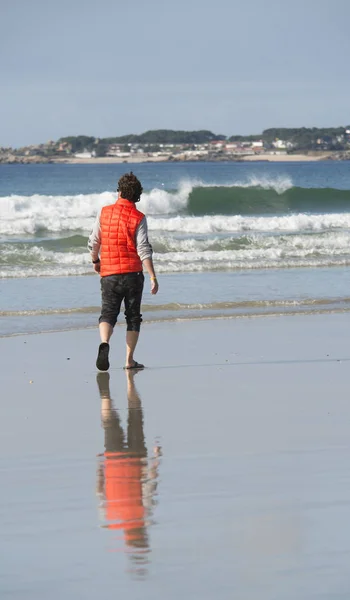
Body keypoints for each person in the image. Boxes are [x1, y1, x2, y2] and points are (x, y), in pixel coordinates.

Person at [88, 172, 158, 371]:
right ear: (137, 196)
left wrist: (95, 260)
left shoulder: (104, 212)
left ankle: (105, 342)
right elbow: (143, 248)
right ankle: (129, 360)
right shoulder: (139, 217)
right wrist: (153, 276)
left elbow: (94, 240)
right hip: (133, 275)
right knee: (133, 317)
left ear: (119, 191)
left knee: (108, 314)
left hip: (109, 273)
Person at [96, 371, 161, 570]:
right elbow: (100, 492)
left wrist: (156, 458)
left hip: (133, 458)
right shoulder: (108, 519)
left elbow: (149, 484)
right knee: (109, 424)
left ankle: (116, 391)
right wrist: (100, 468)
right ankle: (109, 393)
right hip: (115, 460)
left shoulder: (121, 519)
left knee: (134, 416)